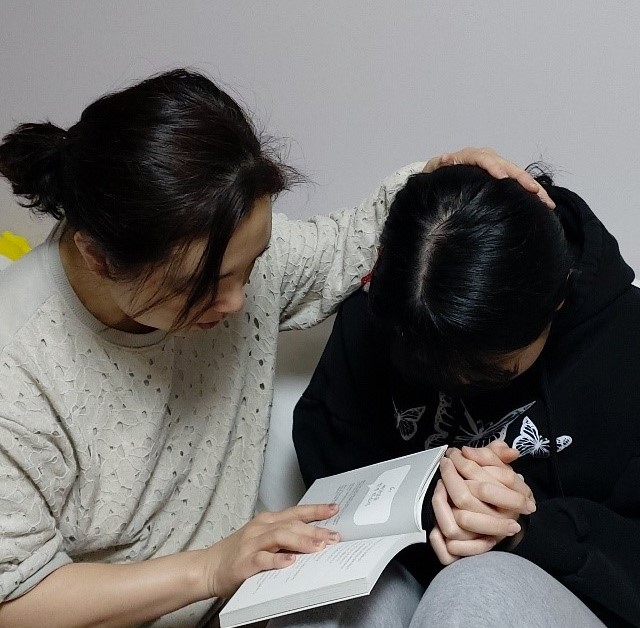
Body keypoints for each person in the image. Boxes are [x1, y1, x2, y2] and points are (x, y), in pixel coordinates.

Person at [0, 69, 547, 627]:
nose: (239, 300)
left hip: (242, 602)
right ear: (98, 258)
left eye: (253, 264)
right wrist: (210, 570)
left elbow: (351, 241)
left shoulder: (228, 263)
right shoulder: (17, 371)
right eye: (207, 285)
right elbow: (14, 602)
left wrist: (445, 177)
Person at [289, 165, 640, 627]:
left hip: (568, 591)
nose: (457, 383)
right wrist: (428, 499)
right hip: (402, 566)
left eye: (489, 372)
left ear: (557, 299)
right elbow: (328, 474)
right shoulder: (389, 308)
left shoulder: (626, 345)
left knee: (474, 588)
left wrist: (526, 528)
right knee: (329, 597)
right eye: (426, 368)